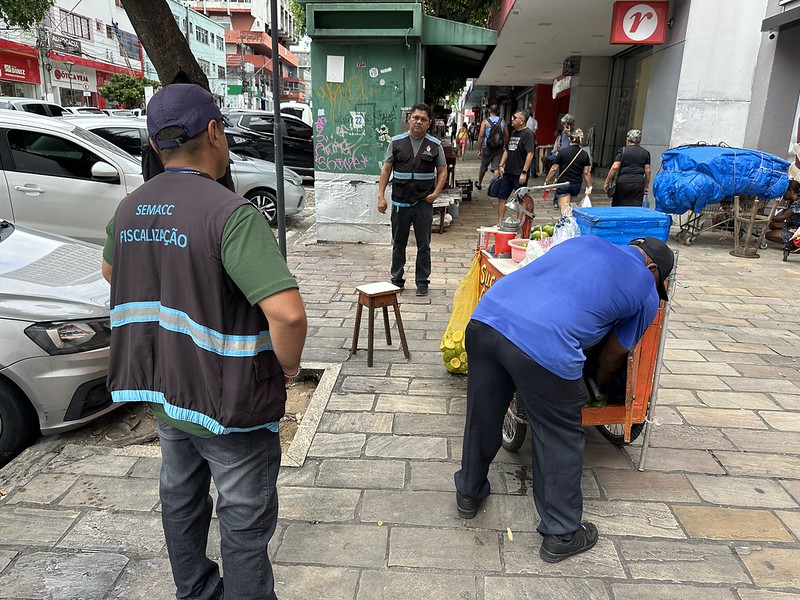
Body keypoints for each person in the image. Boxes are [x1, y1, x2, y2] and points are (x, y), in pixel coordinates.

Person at [102, 83, 308, 600]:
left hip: (169, 395)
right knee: (242, 522)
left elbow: (112, 272)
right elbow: (287, 316)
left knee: (181, 500)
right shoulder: (230, 214)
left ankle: (195, 592)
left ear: (156, 146)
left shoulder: (129, 209)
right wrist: (287, 369)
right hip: (230, 403)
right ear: (215, 133)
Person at [455, 235, 674, 563]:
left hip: (487, 320)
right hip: (543, 345)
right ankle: (561, 534)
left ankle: (468, 493)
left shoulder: (584, 241)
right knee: (559, 434)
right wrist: (596, 382)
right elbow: (615, 353)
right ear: (653, 268)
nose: (654, 287)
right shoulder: (645, 286)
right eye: (659, 282)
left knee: (482, 414)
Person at [378, 102, 448, 296]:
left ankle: (422, 282)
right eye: (415, 118)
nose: (418, 122)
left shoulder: (435, 145)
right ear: (409, 119)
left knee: (423, 245)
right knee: (398, 243)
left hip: (423, 203)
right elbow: (386, 170)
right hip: (400, 202)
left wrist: (436, 193)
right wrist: (381, 196)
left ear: (429, 123)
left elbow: (442, 171)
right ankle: (397, 280)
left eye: (423, 119)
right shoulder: (397, 142)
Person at [489, 110, 535, 226]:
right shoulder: (513, 132)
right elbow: (506, 150)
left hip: (519, 172)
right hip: (508, 171)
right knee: (502, 197)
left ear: (522, 120)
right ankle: (500, 221)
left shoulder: (528, 134)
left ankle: (518, 222)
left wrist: (524, 172)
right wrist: (501, 165)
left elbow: (530, 154)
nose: (512, 119)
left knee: (520, 199)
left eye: (515, 118)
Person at [544, 127, 592, 211]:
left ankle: (567, 223)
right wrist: (589, 186)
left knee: (565, 212)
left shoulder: (563, 152)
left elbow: (554, 168)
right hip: (576, 185)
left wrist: (547, 180)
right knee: (569, 209)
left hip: (564, 184)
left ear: (570, 139)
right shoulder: (584, 154)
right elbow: (586, 173)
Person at [603, 129, 652, 207]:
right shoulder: (646, 153)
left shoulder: (623, 150)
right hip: (638, 184)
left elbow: (614, 167)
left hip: (623, 182)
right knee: (635, 207)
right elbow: (647, 171)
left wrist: (607, 182)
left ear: (628, 139)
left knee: (619, 206)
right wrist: (646, 186)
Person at [476, 105, 509, 190]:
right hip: (499, 148)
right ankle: (494, 186)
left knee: (483, 167)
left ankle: (479, 183)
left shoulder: (485, 122)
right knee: (496, 168)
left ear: (489, 111)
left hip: (487, 147)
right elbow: (506, 135)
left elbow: (480, 136)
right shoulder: (502, 121)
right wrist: (505, 146)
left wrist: (479, 149)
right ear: (497, 111)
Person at [766, 179, 800, 246]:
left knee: (768, 235)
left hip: (797, 230)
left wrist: (763, 216)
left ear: (791, 191)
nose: (783, 195)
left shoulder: (798, 203)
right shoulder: (794, 200)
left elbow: (781, 218)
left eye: (784, 192)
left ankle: (794, 244)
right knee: (772, 225)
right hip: (793, 226)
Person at [525, 107, 538, 176]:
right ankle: (533, 172)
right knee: (532, 156)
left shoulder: (524, 121)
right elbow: (535, 131)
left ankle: (525, 169)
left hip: (524, 139)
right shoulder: (535, 121)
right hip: (532, 139)